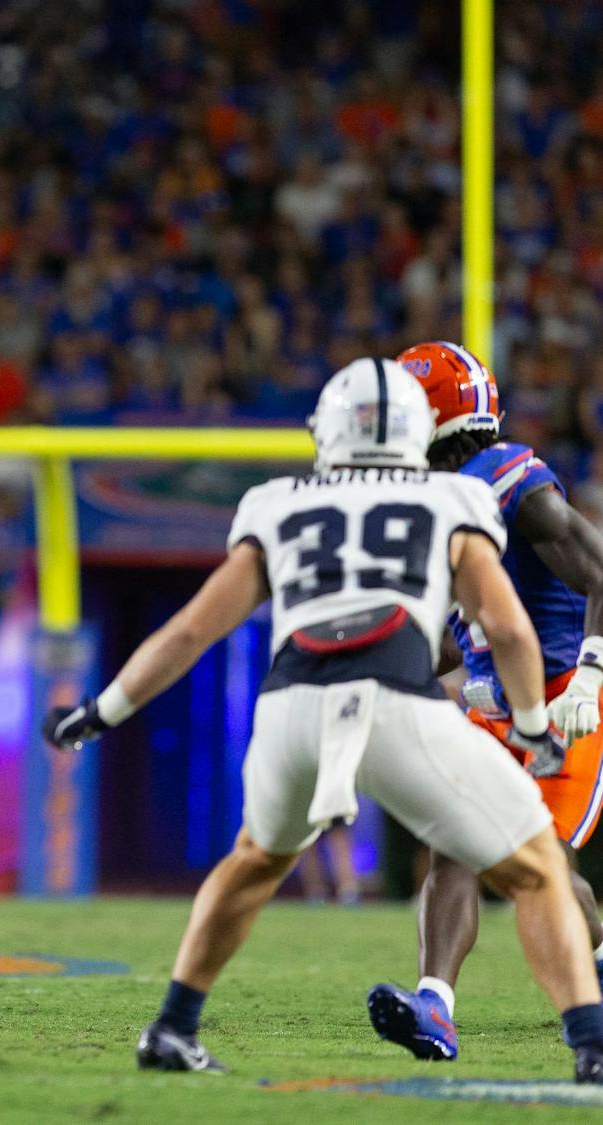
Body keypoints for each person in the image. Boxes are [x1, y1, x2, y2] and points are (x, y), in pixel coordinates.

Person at [47, 358, 603, 1083]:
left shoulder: (279, 500)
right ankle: (591, 1046)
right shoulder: (449, 502)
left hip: (290, 708)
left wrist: (100, 711)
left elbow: (190, 629)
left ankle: (175, 1025)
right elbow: (506, 626)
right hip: (401, 704)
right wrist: (531, 722)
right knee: (531, 869)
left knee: (254, 860)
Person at [362, 341, 603, 1060]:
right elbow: (457, 635)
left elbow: (598, 570)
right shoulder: (439, 497)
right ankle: (434, 1005)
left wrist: (591, 671)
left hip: (563, 700)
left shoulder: (507, 479)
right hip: (493, 702)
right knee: (454, 851)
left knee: (546, 875)